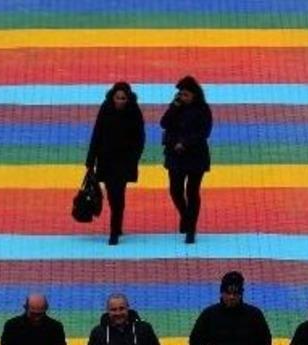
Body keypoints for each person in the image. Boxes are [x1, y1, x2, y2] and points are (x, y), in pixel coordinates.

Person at [84, 81, 145, 246]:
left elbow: (140, 138)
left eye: (123, 98)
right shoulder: (105, 109)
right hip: (106, 160)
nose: (119, 101)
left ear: (128, 99)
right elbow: (97, 134)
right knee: (113, 196)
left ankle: (114, 231)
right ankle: (117, 226)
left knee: (118, 194)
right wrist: (90, 160)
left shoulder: (134, 112)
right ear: (112, 97)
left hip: (124, 162)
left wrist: (133, 159)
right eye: (117, 98)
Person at [159, 75, 212, 244]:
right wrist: (174, 107)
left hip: (195, 156)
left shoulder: (203, 109)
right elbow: (164, 123)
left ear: (194, 95)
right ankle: (186, 216)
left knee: (192, 191)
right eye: (181, 94)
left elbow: (204, 132)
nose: (183, 97)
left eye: (186, 95)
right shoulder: (176, 107)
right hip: (175, 155)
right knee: (175, 190)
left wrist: (185, 143)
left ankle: (191, 229)